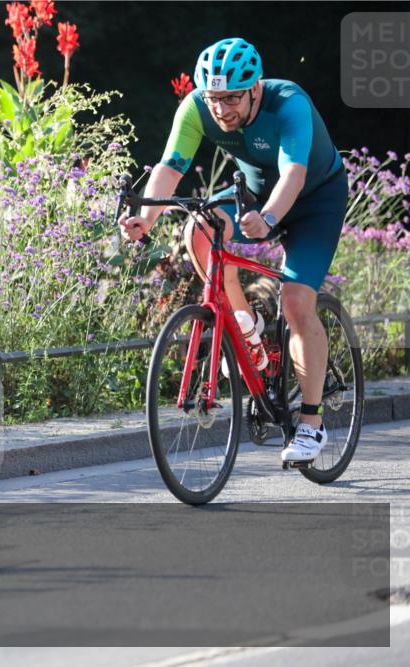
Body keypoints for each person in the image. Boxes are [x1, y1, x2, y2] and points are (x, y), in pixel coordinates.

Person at [119, 37, 347, 463]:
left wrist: (271, 219)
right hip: (256, 194)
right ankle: (246, 327)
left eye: (231, 99)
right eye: (213, 98)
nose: (221, 109)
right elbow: (171, 167)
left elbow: (294, 175)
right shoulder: (196, 108)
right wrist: (145, 220)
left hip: (315, 200)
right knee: (199, 229)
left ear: (255, 88)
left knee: (296, 303)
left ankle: (311, 425)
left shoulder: (288, 102)